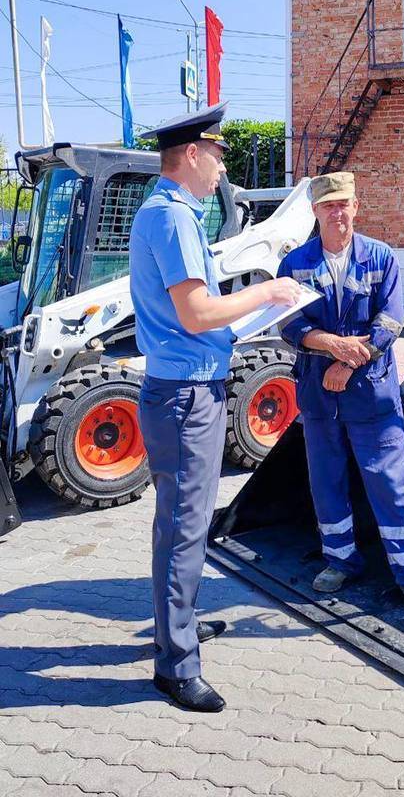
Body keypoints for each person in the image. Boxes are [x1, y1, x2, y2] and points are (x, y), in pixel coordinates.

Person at [129, 103, 301, 712]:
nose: (223, 170)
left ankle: (176, 626)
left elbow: (196, 316)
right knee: (184, 527)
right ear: (194, 155)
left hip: (183, 388)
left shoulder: (171, 214)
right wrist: (270, 292)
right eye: (220, 157)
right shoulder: (172, 219)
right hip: (185, 396)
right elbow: (196, 313)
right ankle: (175, 666)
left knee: (179, 523)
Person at [278, 171, 404, 621]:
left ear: (356, 207)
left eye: (344, 204)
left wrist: (348, 362)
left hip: (371, 395)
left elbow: (390, 323)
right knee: (326, 484)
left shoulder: (382, 258)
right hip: (318, 395)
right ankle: (340, 562)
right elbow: (288, 325)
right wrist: (330, 346)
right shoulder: (295, 264)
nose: (338, 212)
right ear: (315, 212)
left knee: (391, 485)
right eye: (328, 205)